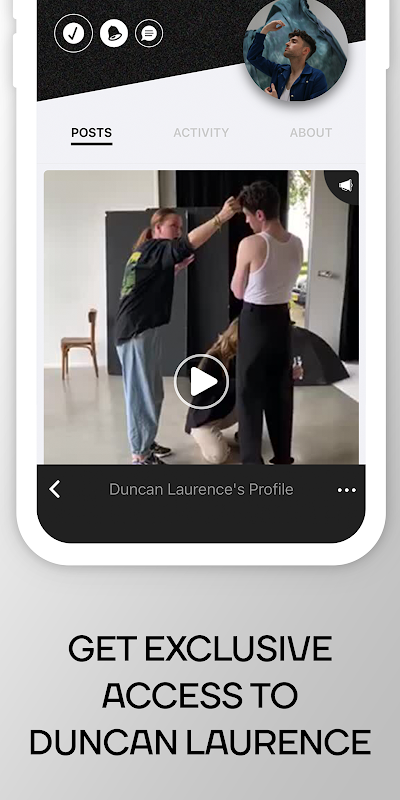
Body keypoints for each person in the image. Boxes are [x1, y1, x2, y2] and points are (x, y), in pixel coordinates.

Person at [115, 200, 239, 465]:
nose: (178, 231)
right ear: (157, 229)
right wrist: (220, 217)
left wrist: (174, 270)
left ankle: (146, 442)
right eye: (173, 226)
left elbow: (146, 283)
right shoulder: (155, 247)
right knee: (141, 396)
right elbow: (187, 244)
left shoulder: (146, 253)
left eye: (180, 227)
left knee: (153, 394)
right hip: (136, 332)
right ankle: (140, 455)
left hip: (142, 330)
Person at [231, 180, 303, 465]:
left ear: (260, 214)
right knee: (280, 390)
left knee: (249, 392)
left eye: (248, 216)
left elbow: (238, 291)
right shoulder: (296, 243)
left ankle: (252, 463)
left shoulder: (251, 244)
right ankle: (282, 456)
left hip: (255, 320)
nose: (247, 221)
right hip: (282, 320)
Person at [185, 319, 303, 465]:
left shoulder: (246, 357)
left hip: (227, 410)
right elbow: (200, 393)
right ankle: (203, 437)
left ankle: (243, 436)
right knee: (218, 457)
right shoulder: (213, 358)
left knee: (258, 396)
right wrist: (242, 382)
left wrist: (287, 375)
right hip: (205, 418)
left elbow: (263, 381)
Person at [247, 20, 327, 101]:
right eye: (289, 41)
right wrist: (265, 30)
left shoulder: (317, 77)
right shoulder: (279, 71)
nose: (287, 43)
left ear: (305, 50)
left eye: (294, 42)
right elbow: (253, 57)